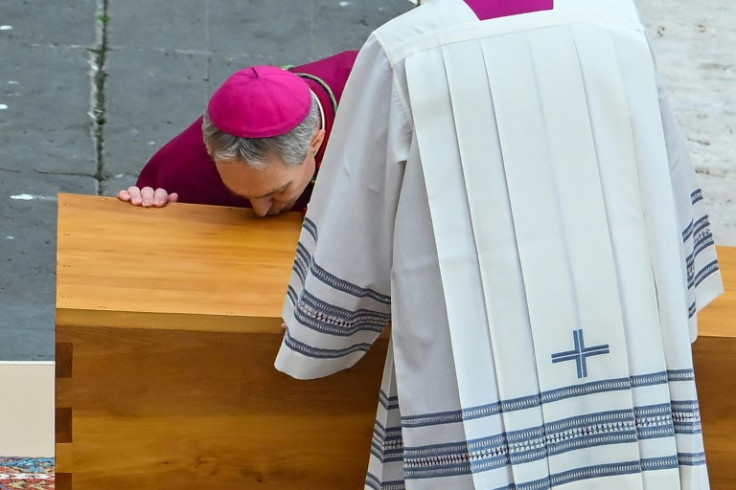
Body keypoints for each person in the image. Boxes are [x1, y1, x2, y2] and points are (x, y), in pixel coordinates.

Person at [274, 0, 724, 488]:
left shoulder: (404, 50)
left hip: (471, 359)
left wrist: (321, 329)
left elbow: (356, 211)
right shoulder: (616, 23)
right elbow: (667, 180)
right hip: (618, 349)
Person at [117, 51, 357, 216]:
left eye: (277, 192)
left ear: (315, 142)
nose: (260, 211)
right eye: (242, 194)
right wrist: (150, 205)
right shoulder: (188, 165)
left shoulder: (375, 93)